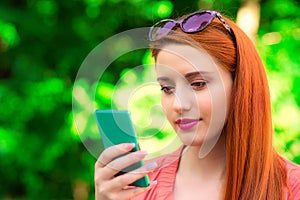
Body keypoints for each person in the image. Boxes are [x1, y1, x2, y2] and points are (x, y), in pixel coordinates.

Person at [94, 10, 300, 200]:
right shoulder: (137, 188)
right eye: (167, 88)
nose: (178, 104)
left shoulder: (292, 187)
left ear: (241, 84)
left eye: (198, 84)